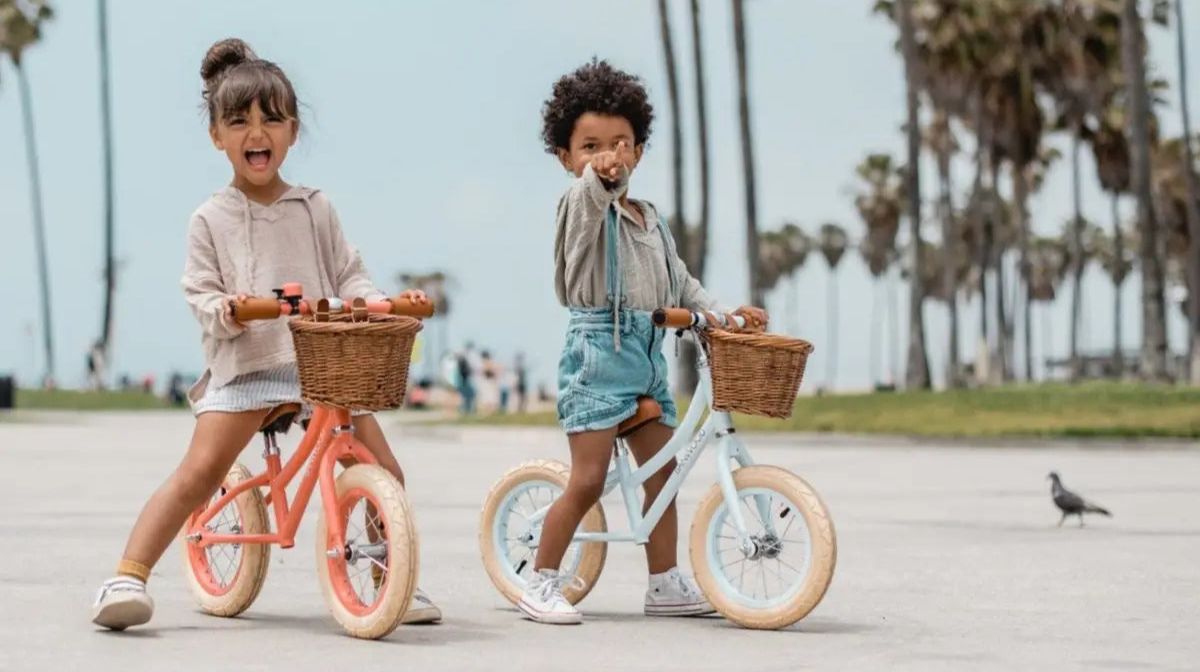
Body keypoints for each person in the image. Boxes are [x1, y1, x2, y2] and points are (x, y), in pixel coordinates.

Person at [90, 38, 441, 630]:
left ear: (292, 131)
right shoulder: (211, 218)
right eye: (240, 121)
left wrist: (381, 303)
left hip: (318, 364)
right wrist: (235, 308)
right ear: (218, 137)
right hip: (248, 367)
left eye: (272, 119)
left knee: (385, 468)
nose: (258, 132)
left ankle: (389, 578)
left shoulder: (315, 207)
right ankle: (127, 574)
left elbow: (348, 272)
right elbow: (200, 292)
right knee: (198, 473)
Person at [517, 59, 768, 625]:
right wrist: (595, 180)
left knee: (664, 474)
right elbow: (589, 199)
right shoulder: (580, 206)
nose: (608, 155)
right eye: (590, 146)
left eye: (620, 144)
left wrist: (722, 314)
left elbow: (681, 282)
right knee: (585, 479)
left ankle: (664, 584)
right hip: (597, 357)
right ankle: (540, 581)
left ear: (639, 150)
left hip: (648, 360)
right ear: (565, 157)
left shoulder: (650, 219)